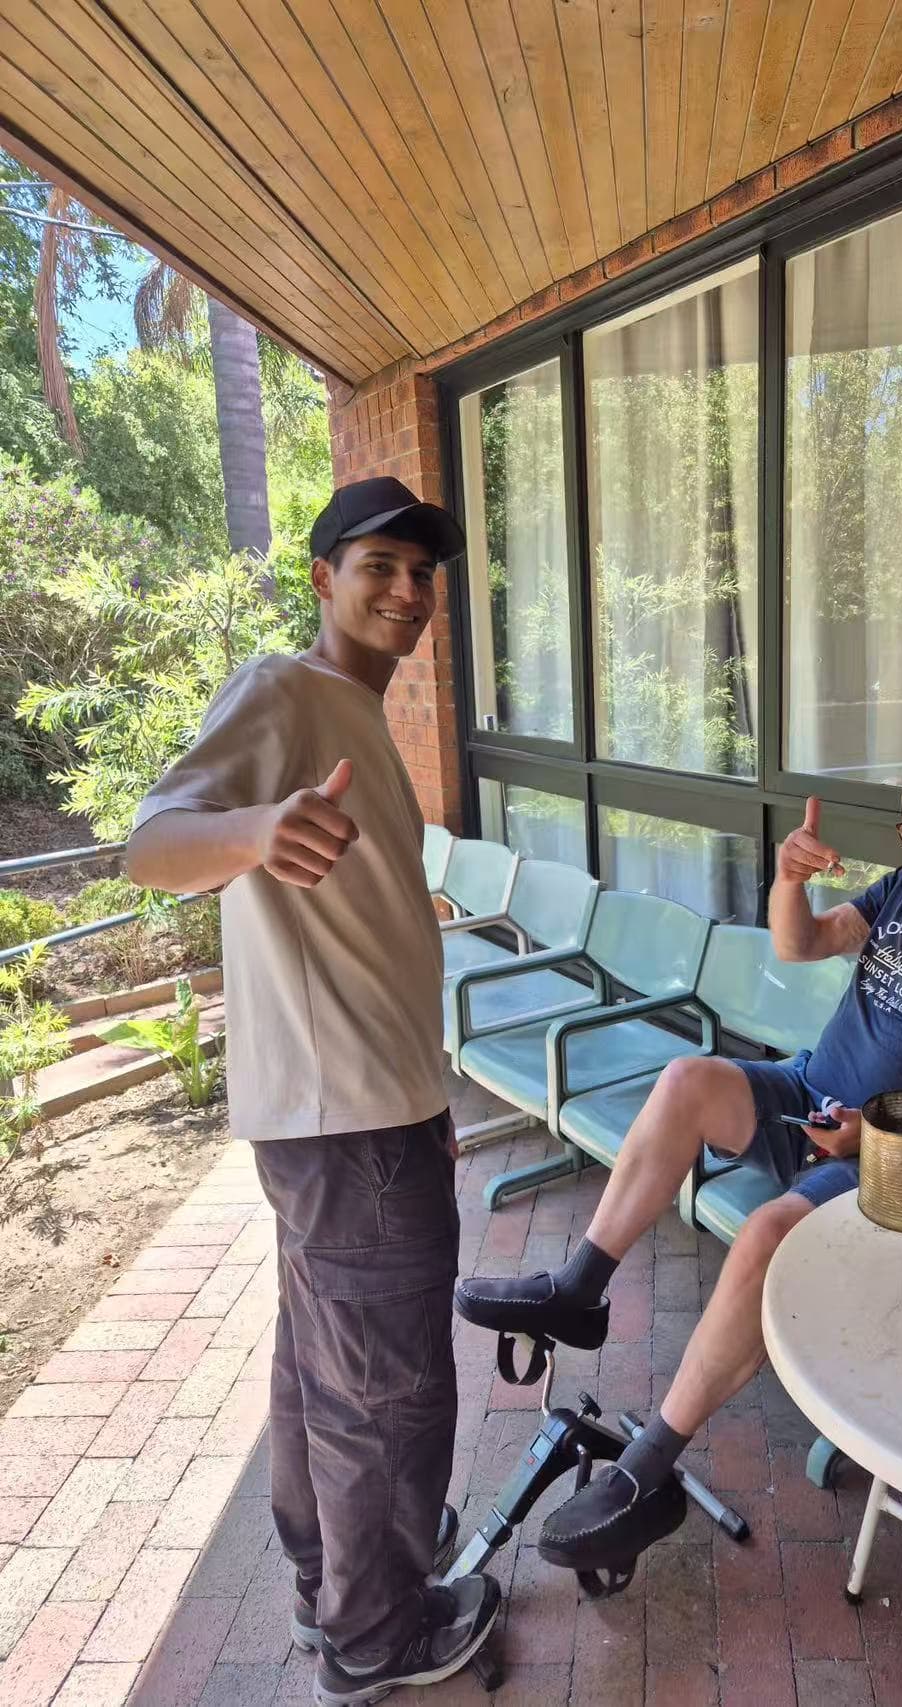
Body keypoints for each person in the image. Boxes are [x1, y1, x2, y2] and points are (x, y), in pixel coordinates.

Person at [456, 762, 902, 1571]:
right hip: (810, 1092)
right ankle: (579, 1289)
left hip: (896, 1151)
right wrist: (789, 878)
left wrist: (882, 1130)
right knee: (686, 1080)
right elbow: (802, 942)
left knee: (763, 1232)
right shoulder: (900, 892)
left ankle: (649, 1472)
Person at [126, 477, 500, 1705]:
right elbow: (150, 843)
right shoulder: (285, 690)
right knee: (387, 1397)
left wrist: (432, 1100)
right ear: (322, 578)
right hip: (349, 1127)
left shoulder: (354, 709)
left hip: (364, 1115)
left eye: (421, 574)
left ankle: (326, 1587)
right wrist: (252, 830)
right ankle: (377, 1637)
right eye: (378, 565)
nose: (405, 591)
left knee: (319, 1375)